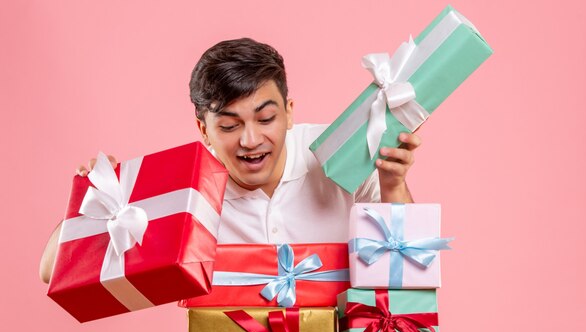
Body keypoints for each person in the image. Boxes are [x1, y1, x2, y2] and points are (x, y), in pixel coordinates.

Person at [39, 38, 421, 283]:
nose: (250, 140)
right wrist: (94, 203)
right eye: (229, 125)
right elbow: (50, 271)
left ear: (289, 112)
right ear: (203, 130)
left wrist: (393, 185)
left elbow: (412, 268)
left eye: (266, 118)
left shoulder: (342, 155)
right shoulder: (183, 191)